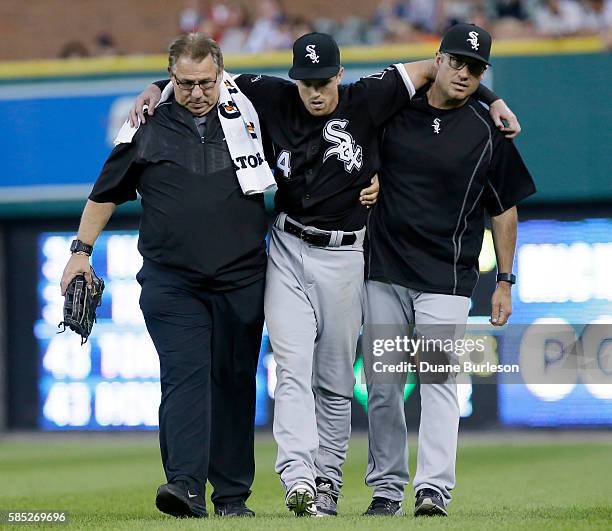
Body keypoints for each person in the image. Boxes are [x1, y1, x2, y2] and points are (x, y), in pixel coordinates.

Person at [131, 31, 520, 517]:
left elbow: (442, 70)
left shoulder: (372, 98)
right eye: (305, 81)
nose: (315, 91)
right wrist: (156, 87)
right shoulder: (269, 93)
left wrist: (493, 96)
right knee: (295, 368)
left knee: (340, 381)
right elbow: (200, 79)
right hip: (294, 248)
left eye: (323, 80)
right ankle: (301, 480)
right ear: (294, 79)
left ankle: (340, 485)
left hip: (361, 260)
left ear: (340, 75)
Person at [60, 34, 276, 518]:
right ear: (171, 78)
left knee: (235, 381)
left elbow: (313, 119)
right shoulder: (144, 125)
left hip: (242, 277)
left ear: (222, 76)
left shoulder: (254, 110)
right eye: (184, 82)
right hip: (171, 280)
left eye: (205, 82)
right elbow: (105, 193)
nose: (196, 92)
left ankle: (233, 497)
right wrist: (80, 251)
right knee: (184, 376)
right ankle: (184, 486)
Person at [362, 23, 536, 517]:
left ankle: (432, 488)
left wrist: (504, 280)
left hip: (447, 275)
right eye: (456, 62)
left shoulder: (488, 129)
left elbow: (505, 209)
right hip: (385, 269)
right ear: (436, 60)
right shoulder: (393, 107)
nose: (463, 73)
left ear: (483, 74)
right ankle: (387, 488)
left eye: (475, 68)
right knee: (382, 383)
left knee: (439, 382)